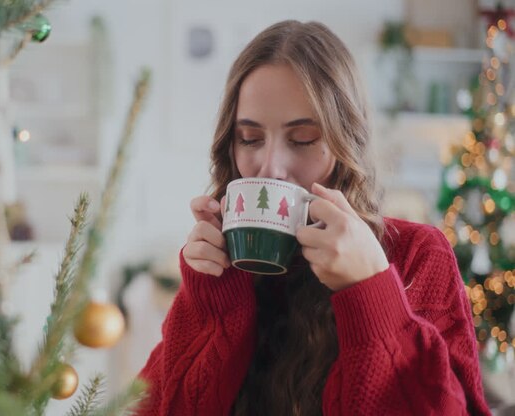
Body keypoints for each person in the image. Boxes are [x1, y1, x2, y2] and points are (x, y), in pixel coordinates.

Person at [136, 20, 490, 415]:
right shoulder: (222, 271)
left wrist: (372, 293)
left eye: (303, 139)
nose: (270, 167)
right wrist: (212, 304)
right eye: (250, 139)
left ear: (345, 143)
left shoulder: (416, 256)